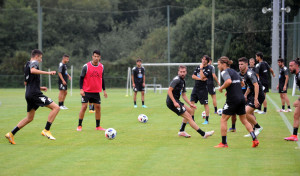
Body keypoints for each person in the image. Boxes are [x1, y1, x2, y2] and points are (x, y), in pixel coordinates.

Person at [5, 49, 60, 144]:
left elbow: (26, 82)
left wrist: (40, 88)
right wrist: (48, 73)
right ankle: (46, 130)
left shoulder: (26, 64)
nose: (41, 60)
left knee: (29, 118)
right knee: (56, 108)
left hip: (29, 93)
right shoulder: (34, 63)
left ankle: (11, 133)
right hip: (34, 94)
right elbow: (33, 70)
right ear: (36, 56)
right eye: (41, 58)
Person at [214, 56, 259, 148]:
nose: (218, 66)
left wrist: (221, 88)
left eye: (218, 64)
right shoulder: (234, 72)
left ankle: (223, 143)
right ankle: (254, 139)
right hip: (241, 98)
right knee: (244, 120)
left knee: (223, 119)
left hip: (233, 99)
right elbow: (242, 83)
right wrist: (231, 90)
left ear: (223, 64)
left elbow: (229, 81)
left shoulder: (224, 72)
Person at [166, 65, 214, 138]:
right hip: (172, 102)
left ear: (186, 72)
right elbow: (169, 91)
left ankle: (182, 131)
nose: (182, 73)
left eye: (184, 72)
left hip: (176, 101)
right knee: (189, 117)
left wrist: (190, 104)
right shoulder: (177, 80)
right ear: (178, 72)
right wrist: (174, 102)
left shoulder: (183, 81)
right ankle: (203, 134)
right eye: (181, 72)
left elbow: (184, 95)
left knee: (190, 111)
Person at [77, 50, 107, 131]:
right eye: (95, 56)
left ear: (100, 57)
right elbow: (81, 78)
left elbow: (102, 79)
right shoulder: (86, 66)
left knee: (98, 107)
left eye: (98, 57)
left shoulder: (102, 67)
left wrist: (104, 90)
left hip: (96, 92)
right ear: (92, 57)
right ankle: (79, 125)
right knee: (84, 107)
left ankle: (98, 126)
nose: (96, 58)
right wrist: (81, 89)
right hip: (86, 91)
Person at [239, 57, 264, 137]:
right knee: (249, 113)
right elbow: (250, 86)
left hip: (258, 95)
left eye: (242, 64)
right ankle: (252, 131)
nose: (240, 66)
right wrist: (245, 95)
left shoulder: (250, 73)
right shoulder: (245, 74)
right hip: (252, 95)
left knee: (246, 112)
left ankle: (258, 127)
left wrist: (256, 99)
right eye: (239, 64)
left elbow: (256, 85)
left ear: (246, 64)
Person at [190, 55, 211, 124]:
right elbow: (193, 76)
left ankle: (206, 120)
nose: (203, 60)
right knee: (192, 103)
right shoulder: (198, 67)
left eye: (205, 59)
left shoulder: (209, 68)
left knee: (205, 104)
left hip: (203, 89)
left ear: (207, 61)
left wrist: (201, 69)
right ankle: (192, 119)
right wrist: (200, 79)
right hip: (196, 88)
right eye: (202, 59)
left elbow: (202, 76)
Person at [284, 58, 300, 141]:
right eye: (289, 66)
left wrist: (299, 100)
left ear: (297, 66)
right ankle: (294, 136)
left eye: (291, 66)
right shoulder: (297, 75)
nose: (289, 67)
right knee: (296, 115)